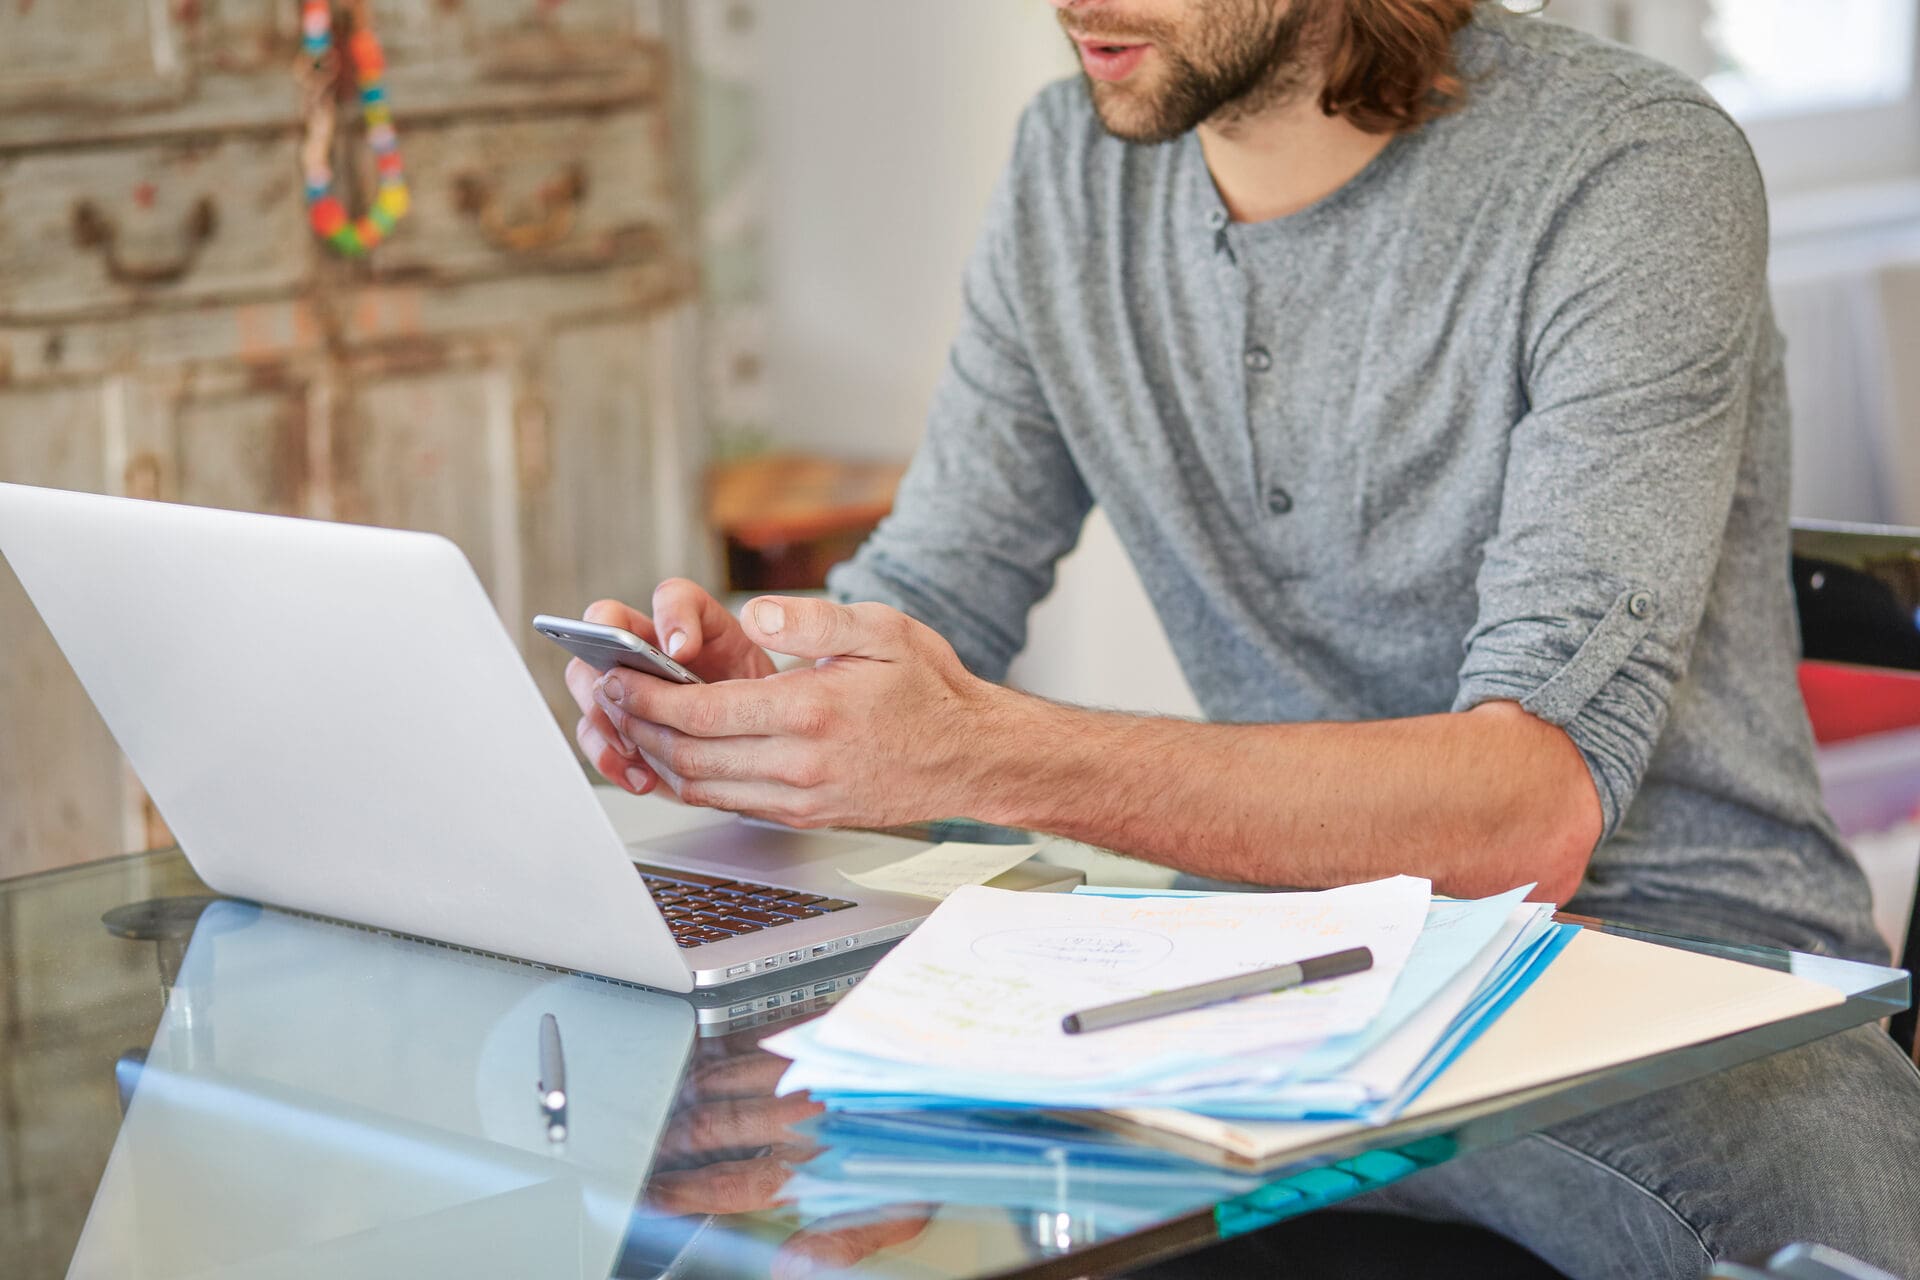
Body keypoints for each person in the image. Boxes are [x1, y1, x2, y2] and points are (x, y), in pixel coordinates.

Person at [567, 1, 1920, 1274]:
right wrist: (774, 703)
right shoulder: (1070, 168)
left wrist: (979, 753)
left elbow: (1527, 817)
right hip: (1268, 985)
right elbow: (938, 589)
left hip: (1683, 971)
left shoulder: (1628, 167)